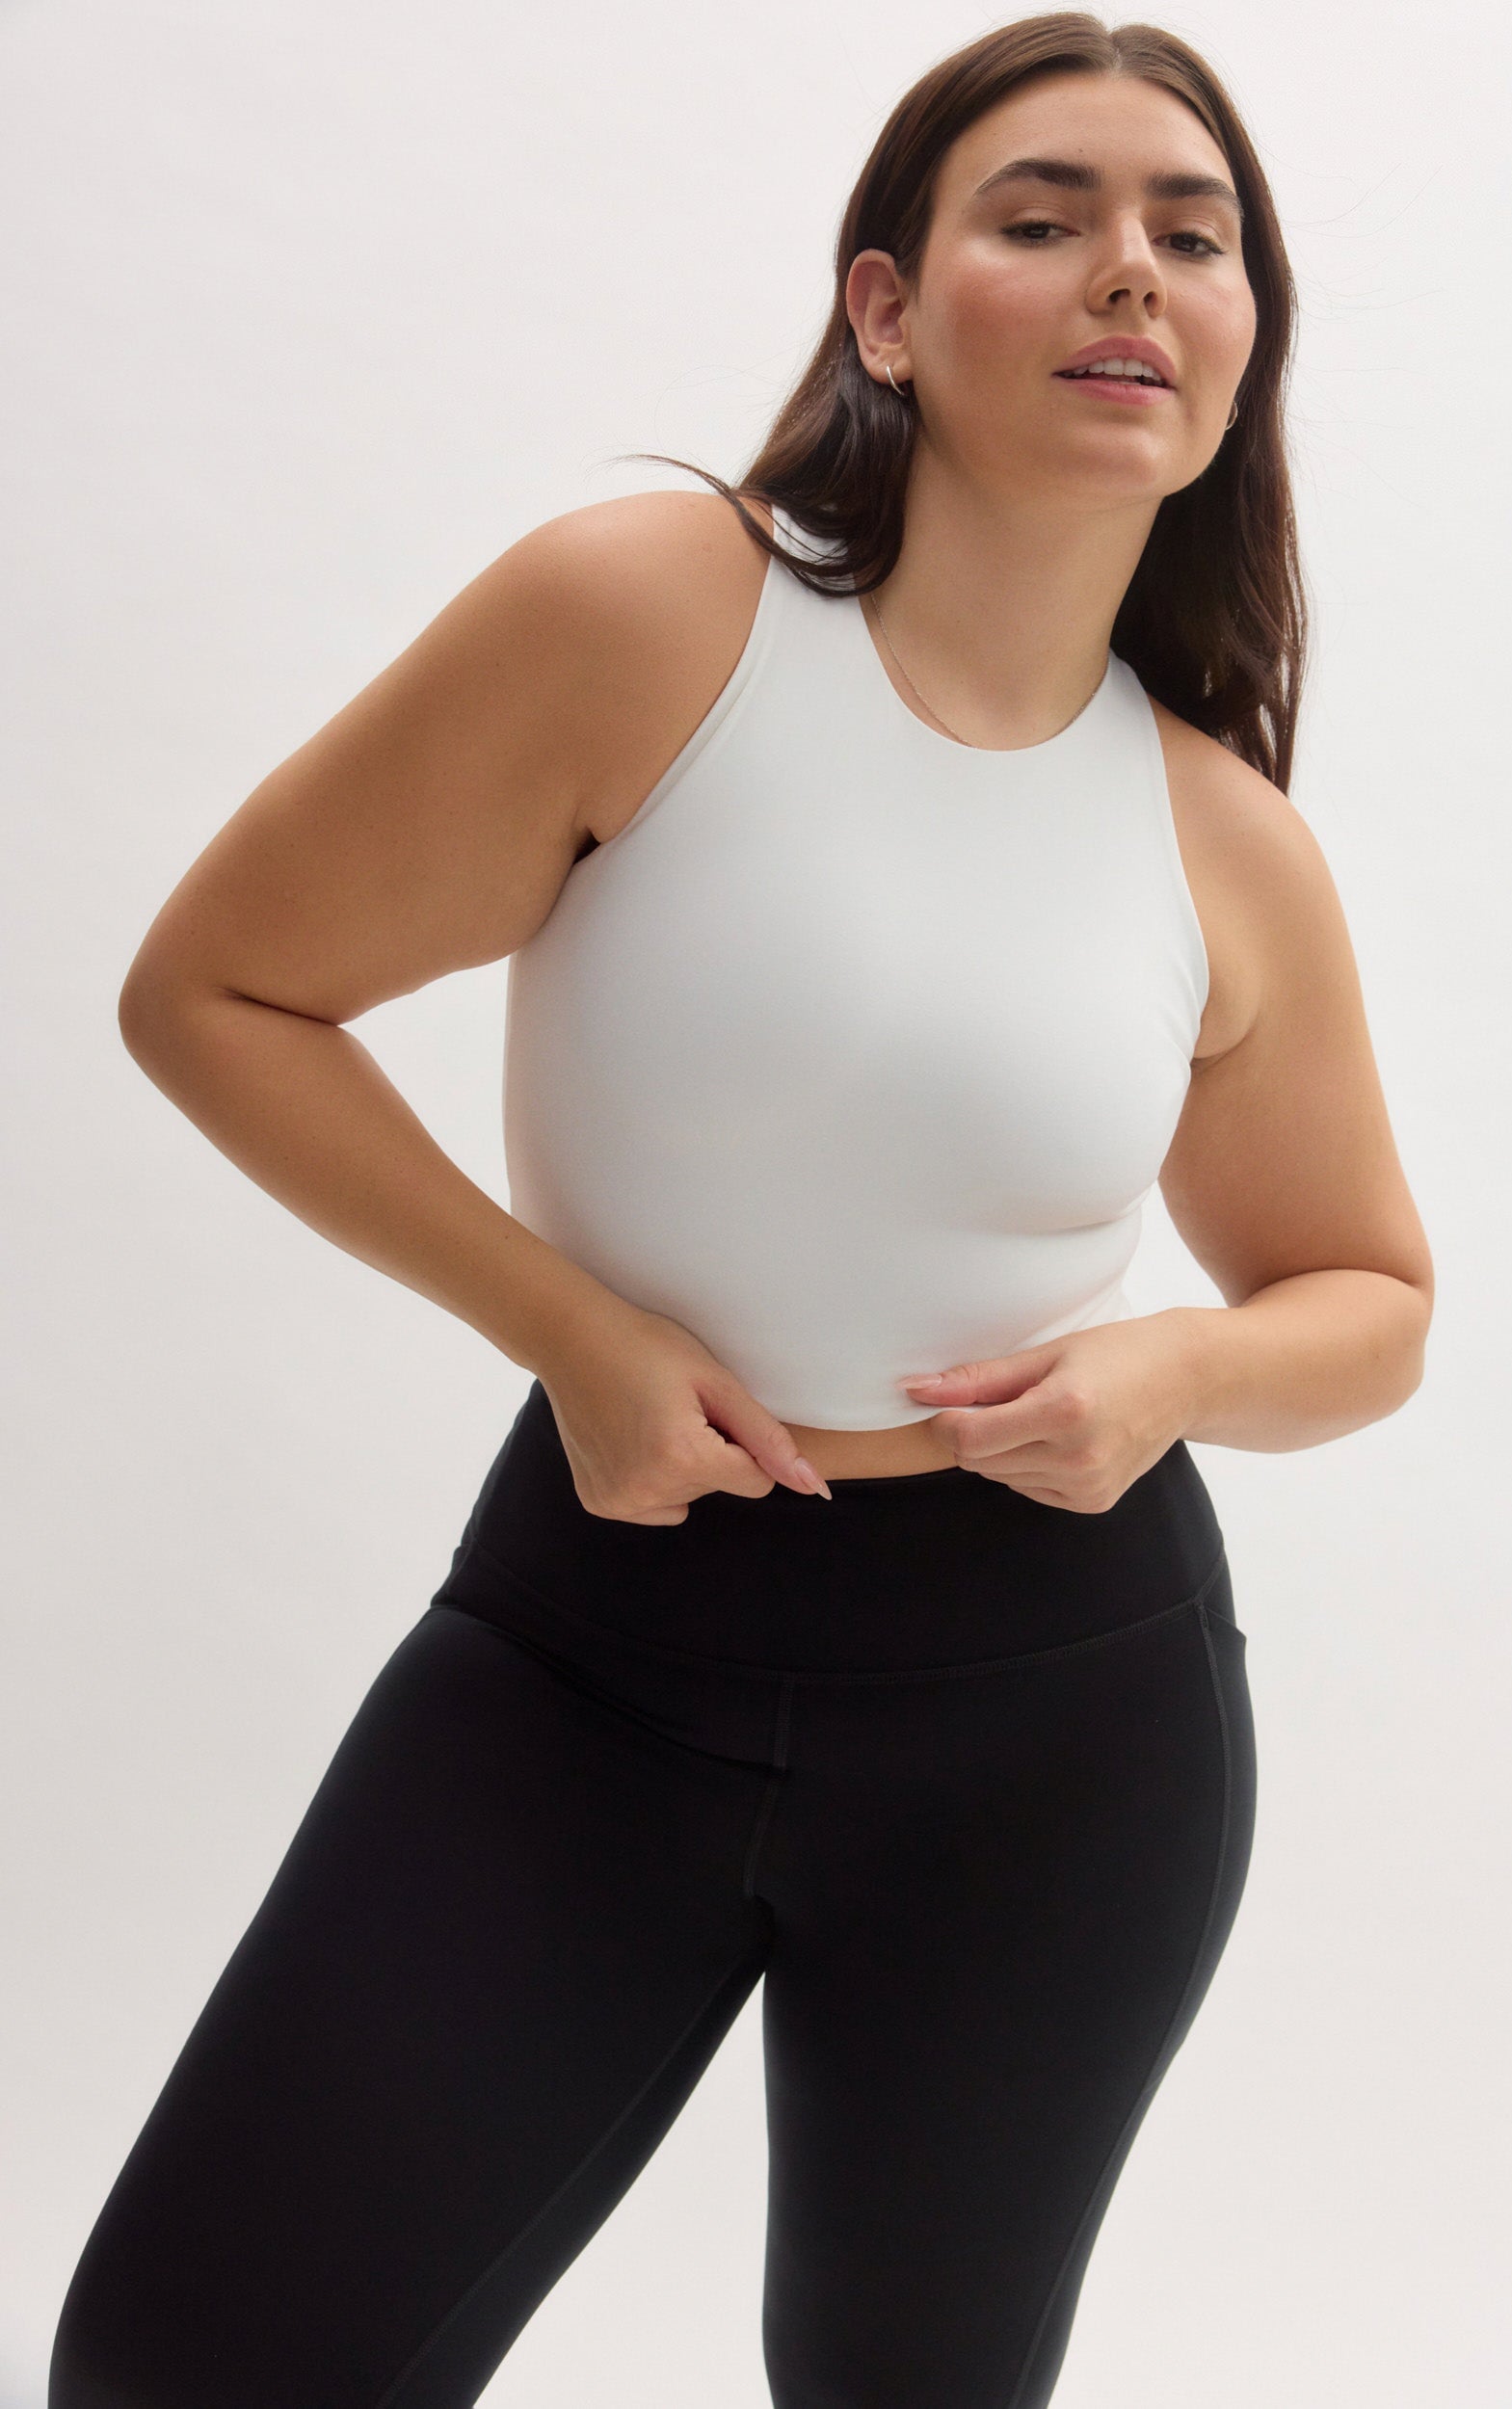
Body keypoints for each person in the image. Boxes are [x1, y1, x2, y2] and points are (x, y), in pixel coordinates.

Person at [48, 11, 1434, 2406]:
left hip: (1057, 1724)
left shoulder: (1226, 843)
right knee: (192, 2357)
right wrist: (570, 1330)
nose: (1132, 267)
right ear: (884, 308)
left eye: (1194, 237)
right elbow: (218, 992)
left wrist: (1173, 1366)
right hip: (593, 1653)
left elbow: (1374, 1299)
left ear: (1237, 353)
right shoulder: (654, 612)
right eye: (1044, 217)